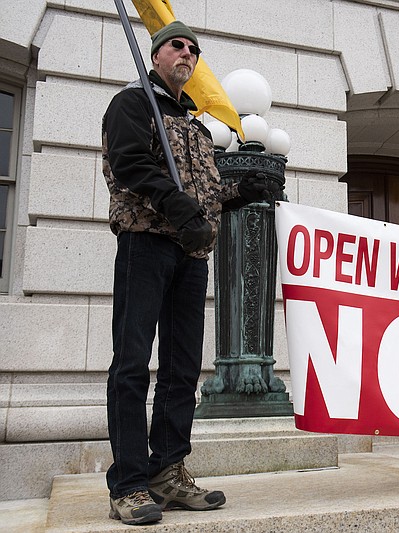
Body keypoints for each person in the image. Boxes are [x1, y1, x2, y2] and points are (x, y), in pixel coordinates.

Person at [102, 21, 270, 525]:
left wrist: (243, 193)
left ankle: (167, 472)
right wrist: (180, 211)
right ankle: (129, 484)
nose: (188, 53)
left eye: (194, 49)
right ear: (156, 54)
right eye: (178, 45)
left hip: (192, 255)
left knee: (181, 369)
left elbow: (208, 190)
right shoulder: (133, 105)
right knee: (132, 364)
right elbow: (130, 165)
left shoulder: (197, 126)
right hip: (146, 243)